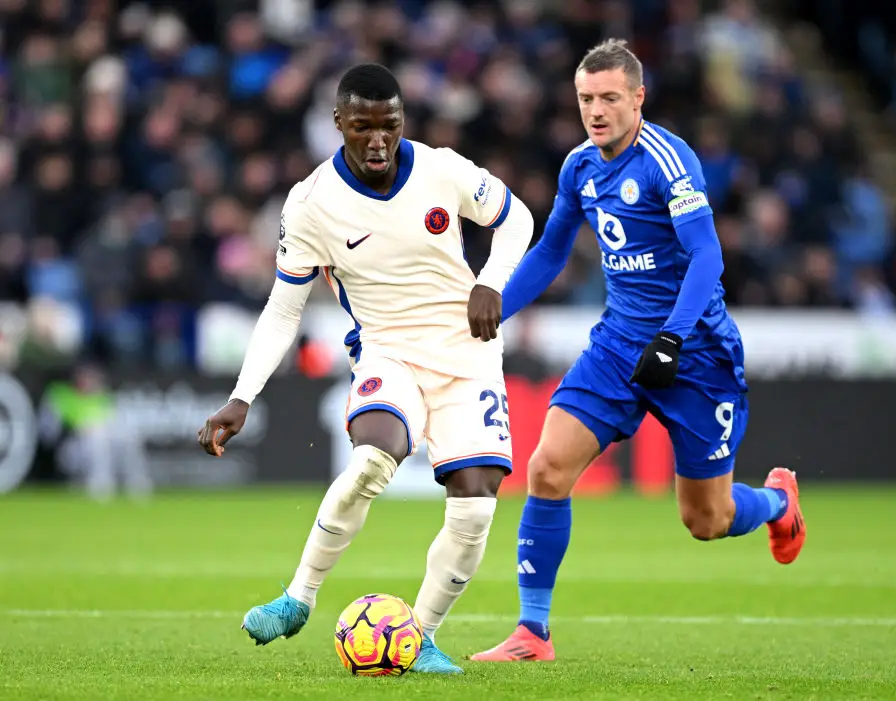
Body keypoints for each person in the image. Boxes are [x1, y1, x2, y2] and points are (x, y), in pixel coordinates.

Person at [470, 39, 806, 663]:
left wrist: (673, 337)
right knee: (544, 468)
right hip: (618, 345)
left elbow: (707, 256)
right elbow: (550, 251)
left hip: (695, 352)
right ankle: (531, 633)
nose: (595, 111)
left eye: (609, 98)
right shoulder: (579, 167)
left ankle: (780, 503)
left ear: (637, 98)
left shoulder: (667, 162)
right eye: (585, 99)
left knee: (705, 519)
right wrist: (490, 306)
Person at [197, 63, 533, 674]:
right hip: (387, 351)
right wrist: (243, 396)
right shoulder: (311, 204)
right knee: (373, 459)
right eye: (362, 127)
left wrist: (489, 281)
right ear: (338, 126)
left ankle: (421, 636)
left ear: (402, 121)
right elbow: (283, 308)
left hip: (469, 355)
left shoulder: (442, 169)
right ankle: (297, 597)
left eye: (389, 125)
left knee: (477, 503)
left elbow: (518, 220)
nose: (378, 140)